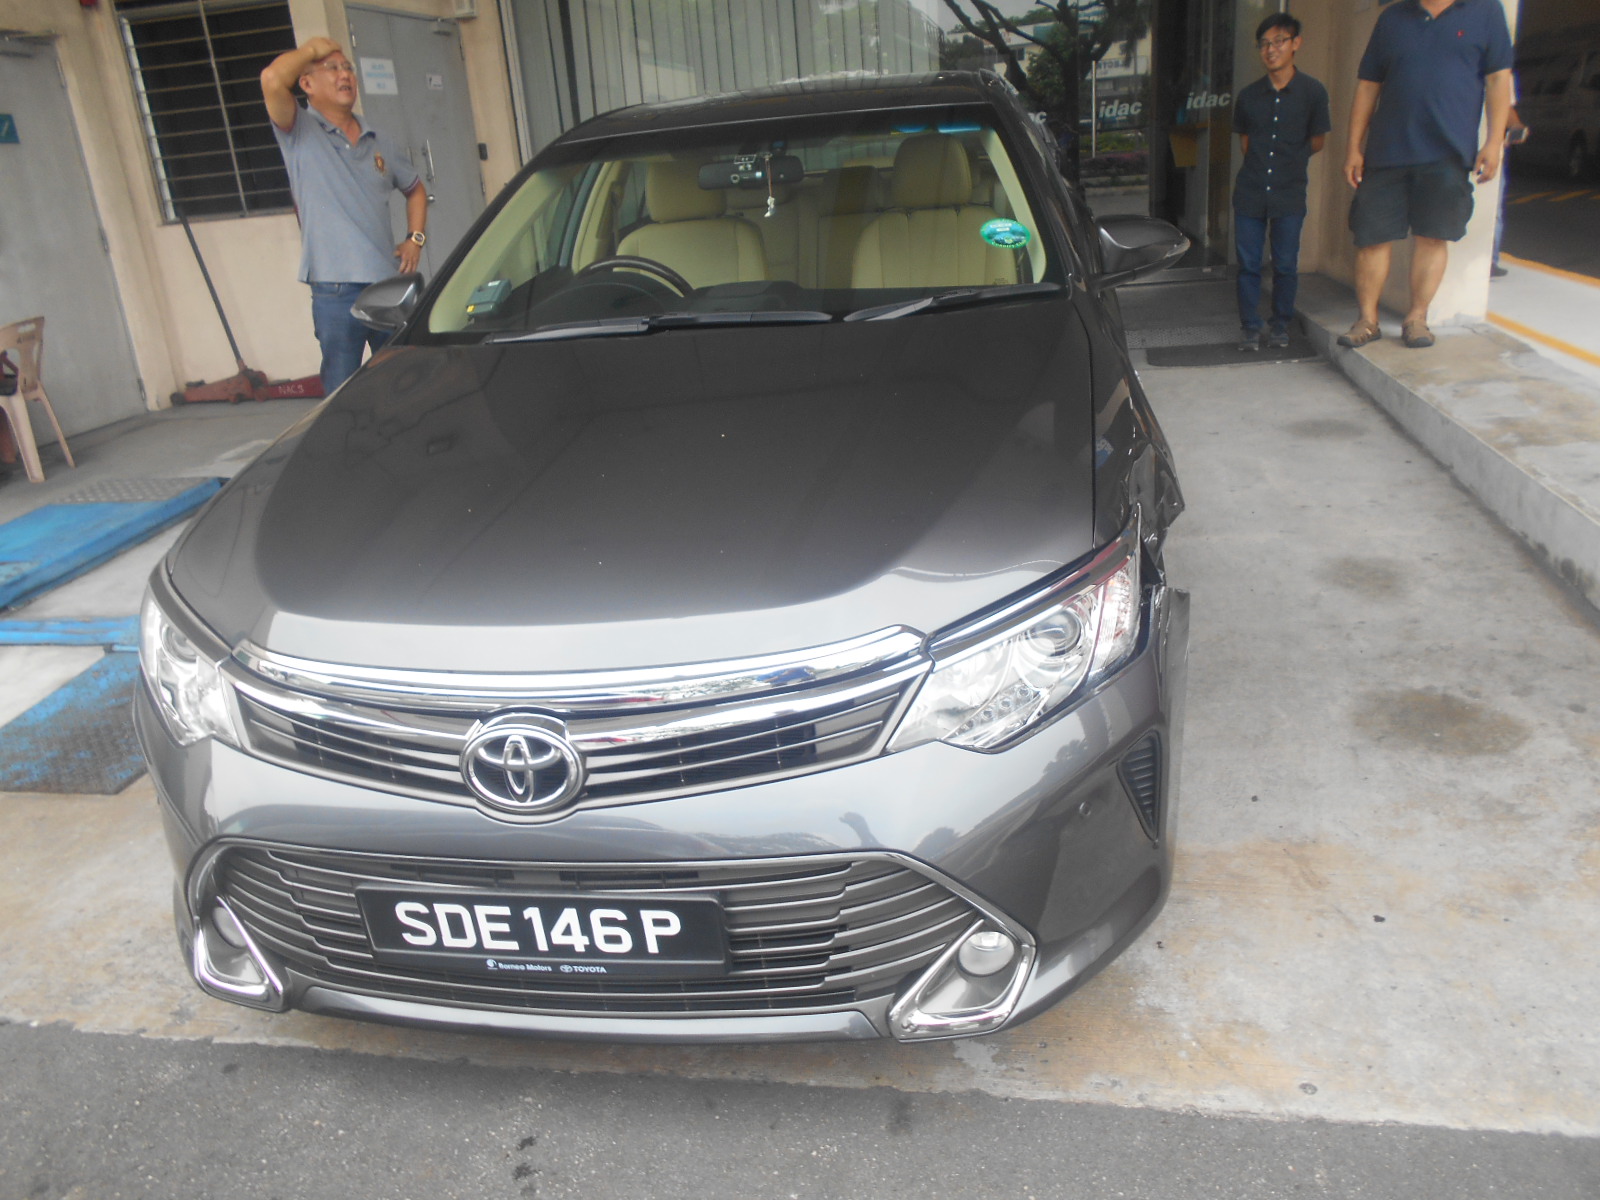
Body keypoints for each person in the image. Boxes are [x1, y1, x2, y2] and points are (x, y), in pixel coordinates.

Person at [1339, 0, 1513, 350]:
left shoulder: (1485, 12)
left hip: (1448, 152)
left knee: (1433, 237)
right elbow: (1368, 85)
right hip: (1387, 152)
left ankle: (1417, 318)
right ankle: (1367, 320)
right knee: (1371, 237)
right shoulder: (1392, 17)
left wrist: (1494, 142)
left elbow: (1498, 79)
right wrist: (1354, 147)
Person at [261, 38, 428, 393]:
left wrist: (415, 239)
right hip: (335, 291)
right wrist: (311, 51)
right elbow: (272, 80)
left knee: (400, 386)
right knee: (341, 393)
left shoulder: (379, 139)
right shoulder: (299, 131)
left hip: (386, 284)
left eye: (348, 68)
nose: (344, 75)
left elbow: (415, 190)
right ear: (307, 84)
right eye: (332, 68)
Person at [1231, 13, 1331, 351]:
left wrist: (1290, 161)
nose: (1270, 50)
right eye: (1264, 44)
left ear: (1295, 43)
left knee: (1286, 265)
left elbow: (1318, 140)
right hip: (1250, 191)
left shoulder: (1313, 92)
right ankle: (1249, 327)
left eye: (1278, 42)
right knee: (1248, 264)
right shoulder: (1248, 96)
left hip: (1289, 191)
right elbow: (1245, 143)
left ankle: (1280, 325)